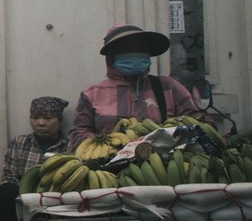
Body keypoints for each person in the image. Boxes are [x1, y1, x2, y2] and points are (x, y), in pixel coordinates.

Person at [70, 23, 202, 142]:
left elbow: (201, 122)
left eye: (140, 48)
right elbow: (77, 133)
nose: (134, 53)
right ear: (111, 57)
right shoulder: (92, 94)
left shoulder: (168, 87)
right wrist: (108, 143)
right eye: (126, 49)